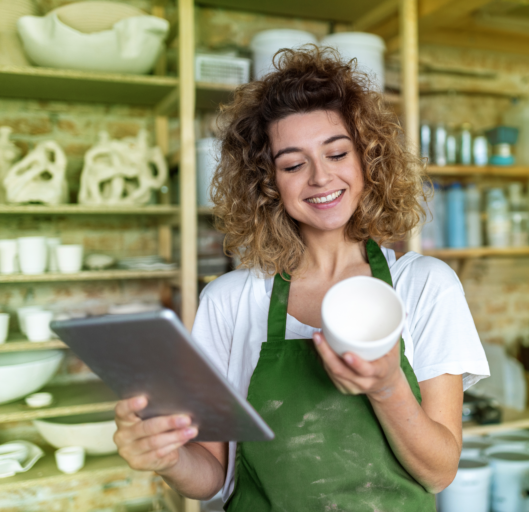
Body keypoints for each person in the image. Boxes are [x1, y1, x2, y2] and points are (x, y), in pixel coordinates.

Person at [112, 46, 489, 510]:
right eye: (293, 164)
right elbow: (212, 476)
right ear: (266, 182)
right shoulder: (230, 300)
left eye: (336, 153)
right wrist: (165, 456)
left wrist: (386, 388)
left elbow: (440, 471)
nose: (320, 177)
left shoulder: (427, 285)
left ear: (368, 160)